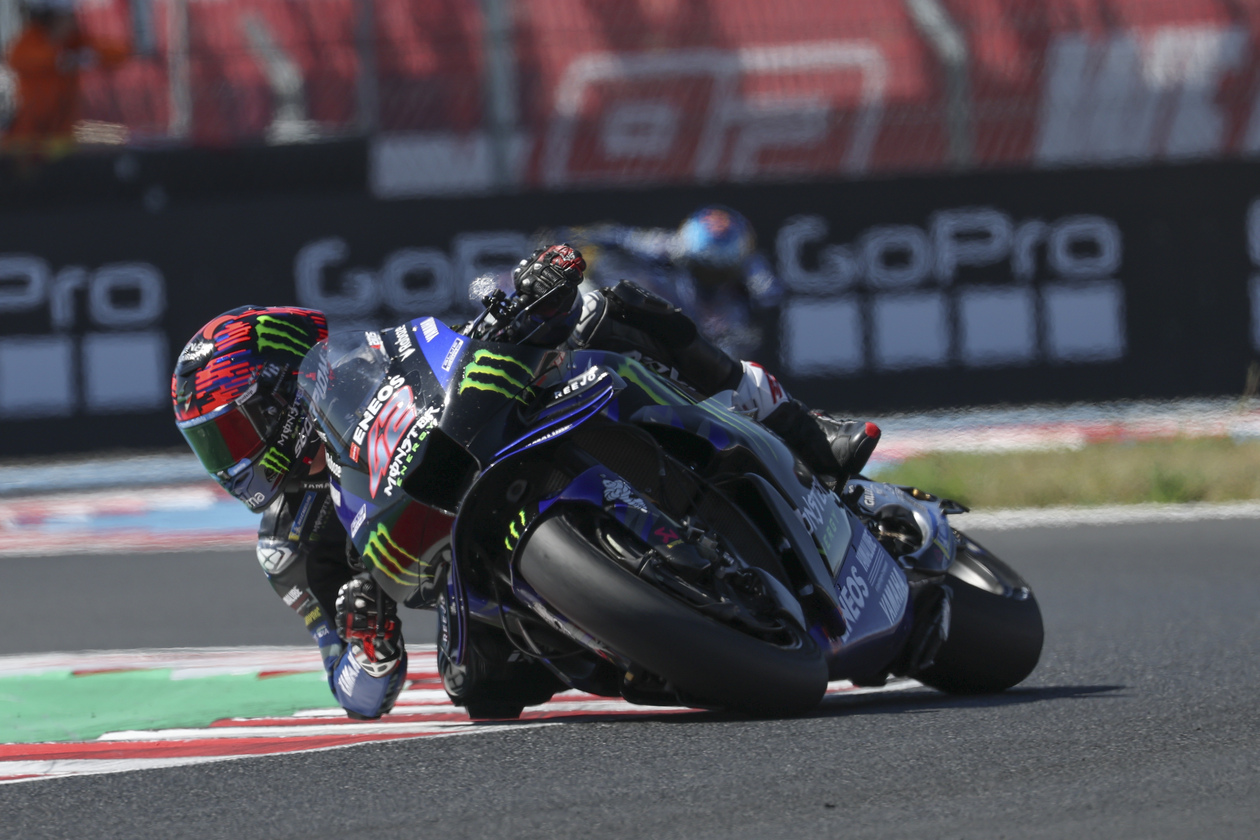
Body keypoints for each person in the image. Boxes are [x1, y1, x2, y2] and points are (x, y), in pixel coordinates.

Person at [171, 245, 881, 720]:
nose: (235, 460)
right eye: (213, 447)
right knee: (483, 693)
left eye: (235, 431)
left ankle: (793, 424)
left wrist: (523, 302)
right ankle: (652, 636)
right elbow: (357, 692)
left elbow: (464, 345)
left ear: (281, 386)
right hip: (473, 591)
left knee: (611, 309)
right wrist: (368, 643)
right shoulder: (289, 546)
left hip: (501, 437)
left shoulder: (386, 355)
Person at [548, 206, 783, 360]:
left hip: (709, 348)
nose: (711, 278)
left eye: (722, 271)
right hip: (664, 331)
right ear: (687, 257)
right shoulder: (671, 247)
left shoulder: (754, 271)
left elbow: (770, 297)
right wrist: (580, 237)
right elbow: (622, 237)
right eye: (703, 268)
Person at [3, 0, 128, 163]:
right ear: (51, 18)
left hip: (61, 135)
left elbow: (119, 53)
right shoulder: (30, 40)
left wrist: (91, 55)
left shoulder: (74, 41)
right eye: (67, 16)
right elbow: (18, 59)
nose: (73, 20)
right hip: (29, 137)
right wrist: (59, 59)